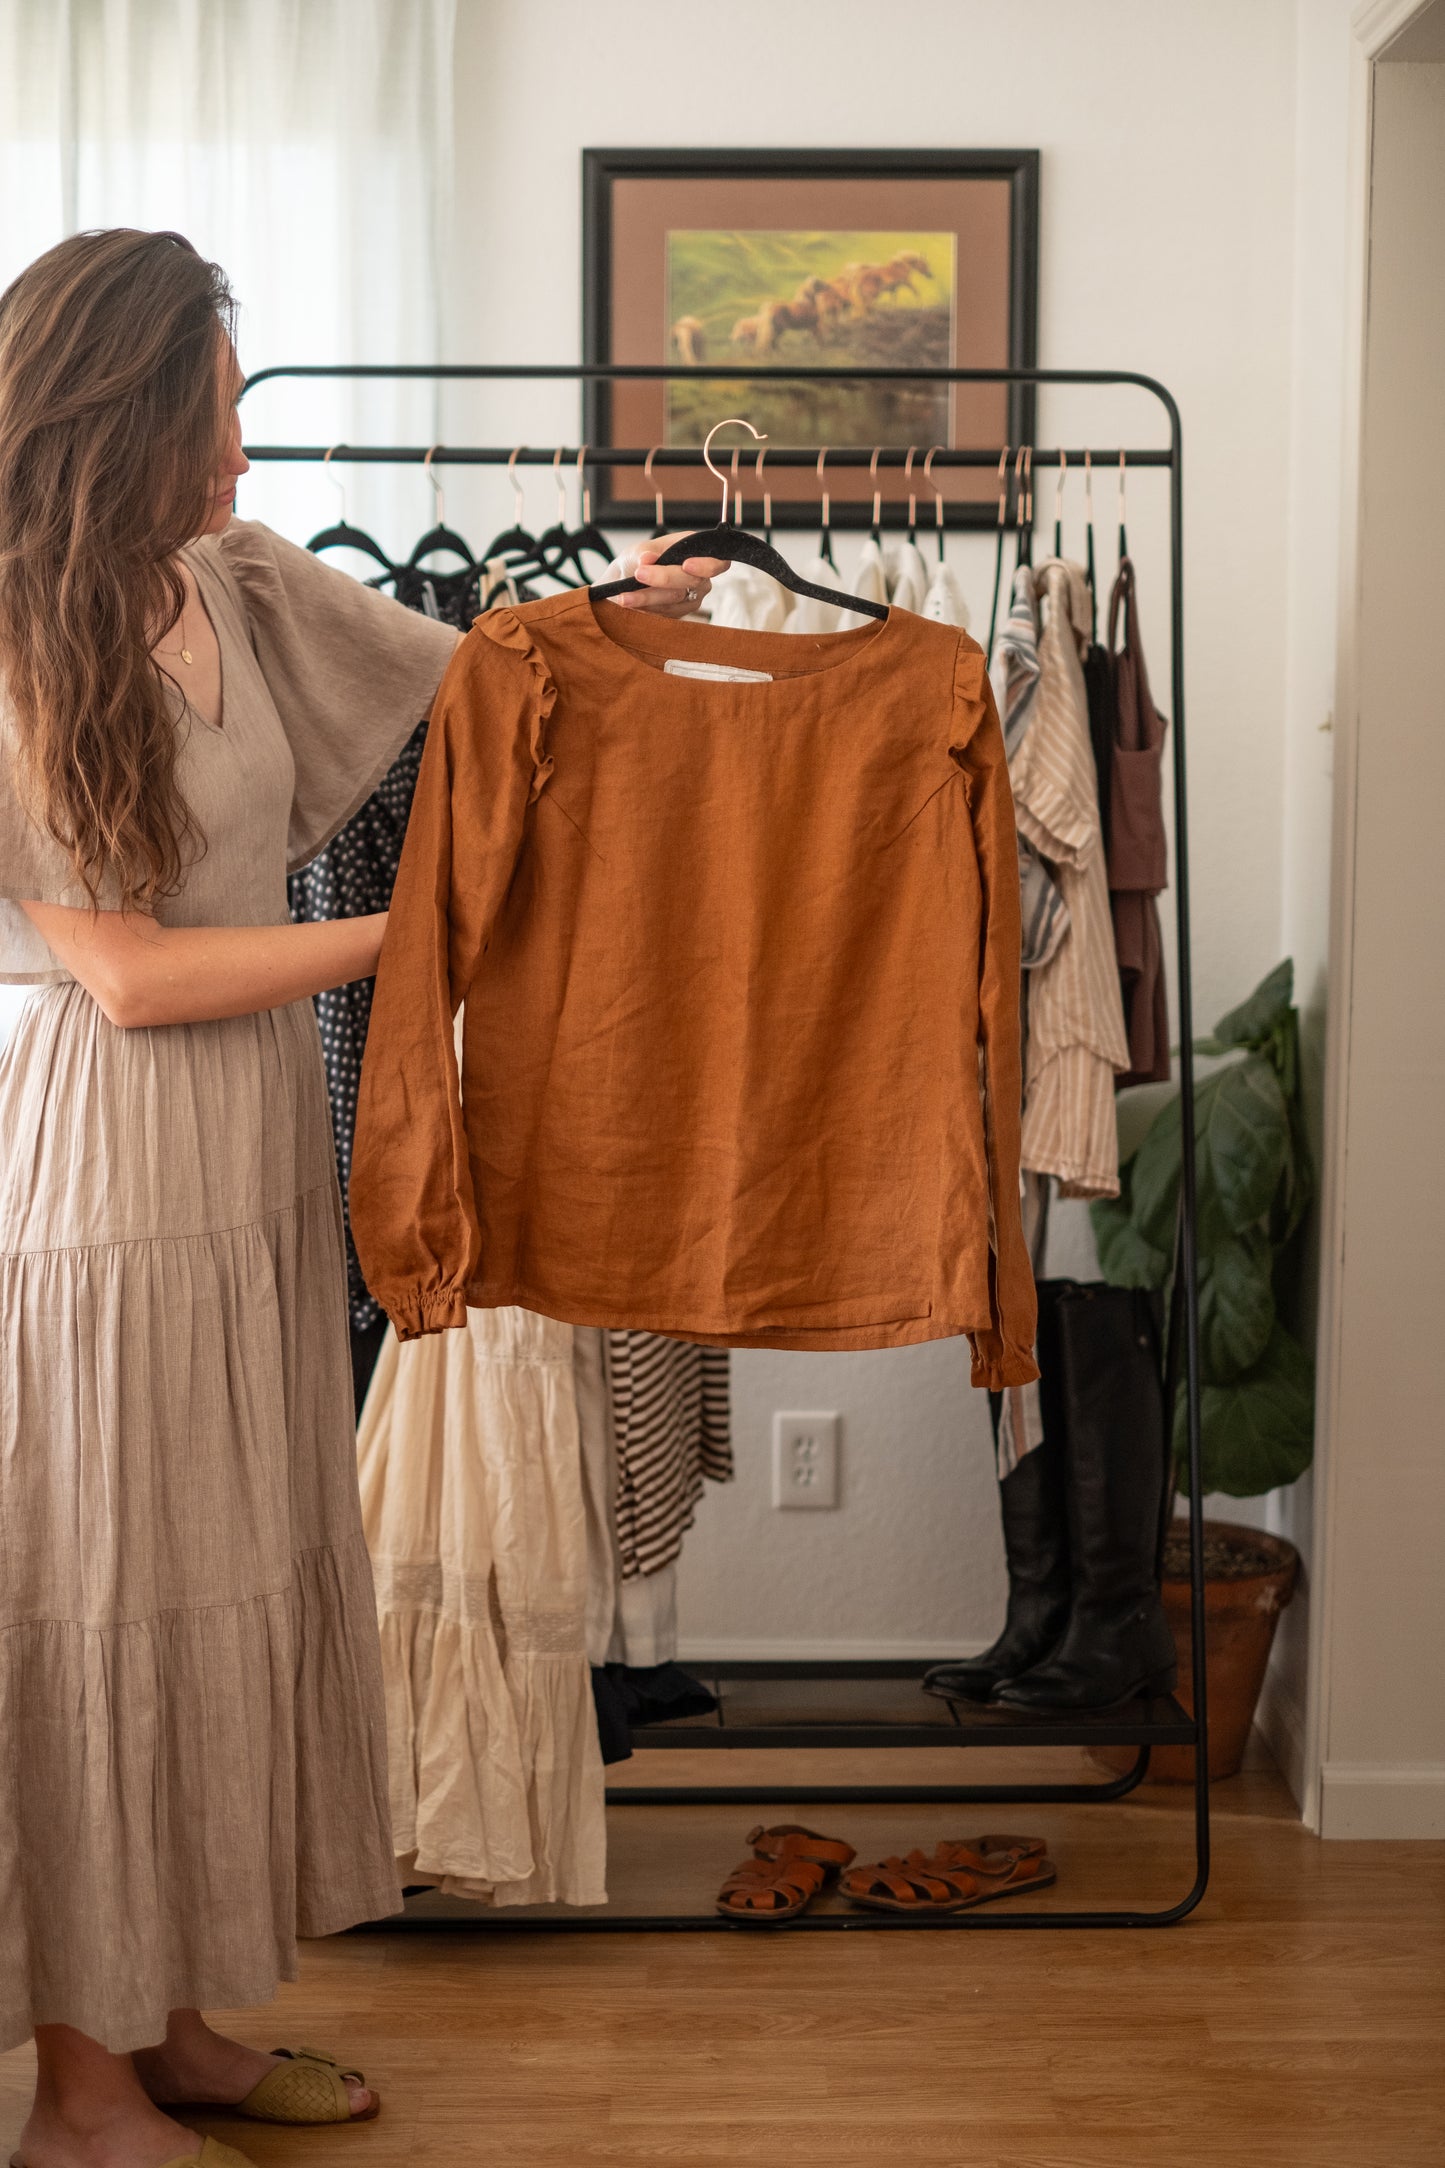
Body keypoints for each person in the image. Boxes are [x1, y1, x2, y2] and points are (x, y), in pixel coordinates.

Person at [0, 227, 721, 2168]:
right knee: (104, 1613)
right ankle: (76, 2088)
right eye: (217, 412)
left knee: (224, 1583)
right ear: (120, 414)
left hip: (242, 1159)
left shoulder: (227, 585)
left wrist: (619, 615)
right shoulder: (14, 634)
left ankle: (180, 2024)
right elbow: (133, 973)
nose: (243, 451)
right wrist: (415, 944)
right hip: (109, 1171)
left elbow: (470, 671)